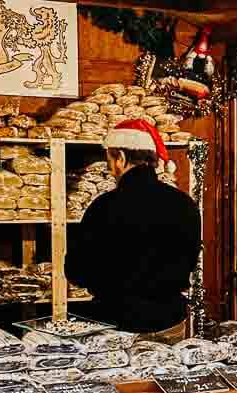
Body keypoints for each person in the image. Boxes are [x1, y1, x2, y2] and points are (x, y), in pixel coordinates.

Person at [64, 117, 202, 335]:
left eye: (109, 158)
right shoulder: (184, 204)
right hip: (170, 321)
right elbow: (191, 260)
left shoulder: (103, 207)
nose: (110, 167)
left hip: (117, 325)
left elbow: (76, 271)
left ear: (120, 157)